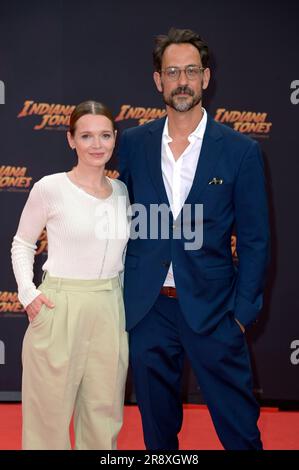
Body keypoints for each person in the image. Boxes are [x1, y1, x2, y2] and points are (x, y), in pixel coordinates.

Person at [118, 28, 270, 450]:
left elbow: (256, 240)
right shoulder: (132, 143)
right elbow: (120, 221)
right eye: (172, 72)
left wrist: (240, 314)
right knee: (157, 434)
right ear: (158, 81)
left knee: (239, 430)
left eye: (190, 71)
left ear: (206, 77)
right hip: (149, 311)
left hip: (215, 312)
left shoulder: (240, 150)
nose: (181, 80)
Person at [11, 100, 129, 450]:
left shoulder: (122, 193)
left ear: (114, 138)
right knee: (47, 420)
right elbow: (22, 243)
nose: (97, 144)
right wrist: (28, 295)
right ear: (70, 140)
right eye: (87, 136)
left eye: (105, 135)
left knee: (103, 418)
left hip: (110, 308)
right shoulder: (51, 188)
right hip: (59, 306)